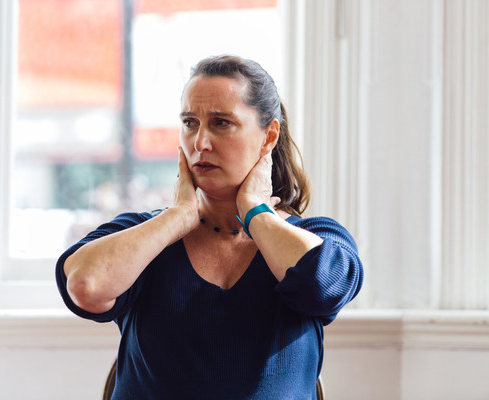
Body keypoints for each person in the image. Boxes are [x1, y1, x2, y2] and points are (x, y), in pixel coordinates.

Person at [56, 55, 363, 399]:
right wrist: (178, 216)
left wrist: (256, 213)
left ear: (268, 136)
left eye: (221, 123)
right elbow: (85, 285)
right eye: (190, 123)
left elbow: (323, 285)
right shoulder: (145, 233)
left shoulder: (316, 236)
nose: (200, 142)